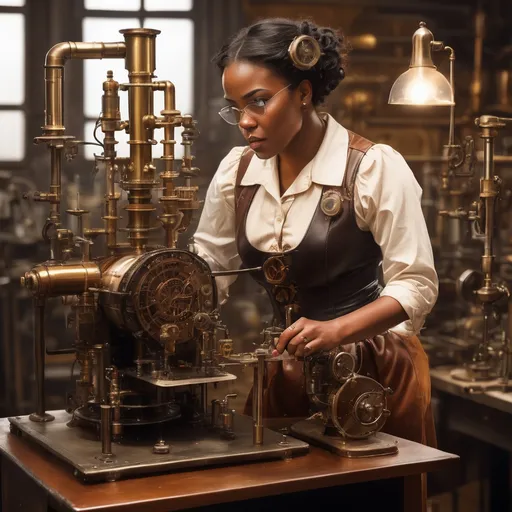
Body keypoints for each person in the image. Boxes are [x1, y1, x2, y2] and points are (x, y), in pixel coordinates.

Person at [193, 17, 438, 447]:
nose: (245, 122)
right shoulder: (238, 172)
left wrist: (339, 329)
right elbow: (211, 268)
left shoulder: (372, 167)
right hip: (286, 367)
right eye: (235, 108)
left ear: (304, 93)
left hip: (372, 372)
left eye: (259, 102)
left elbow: (416, 286)